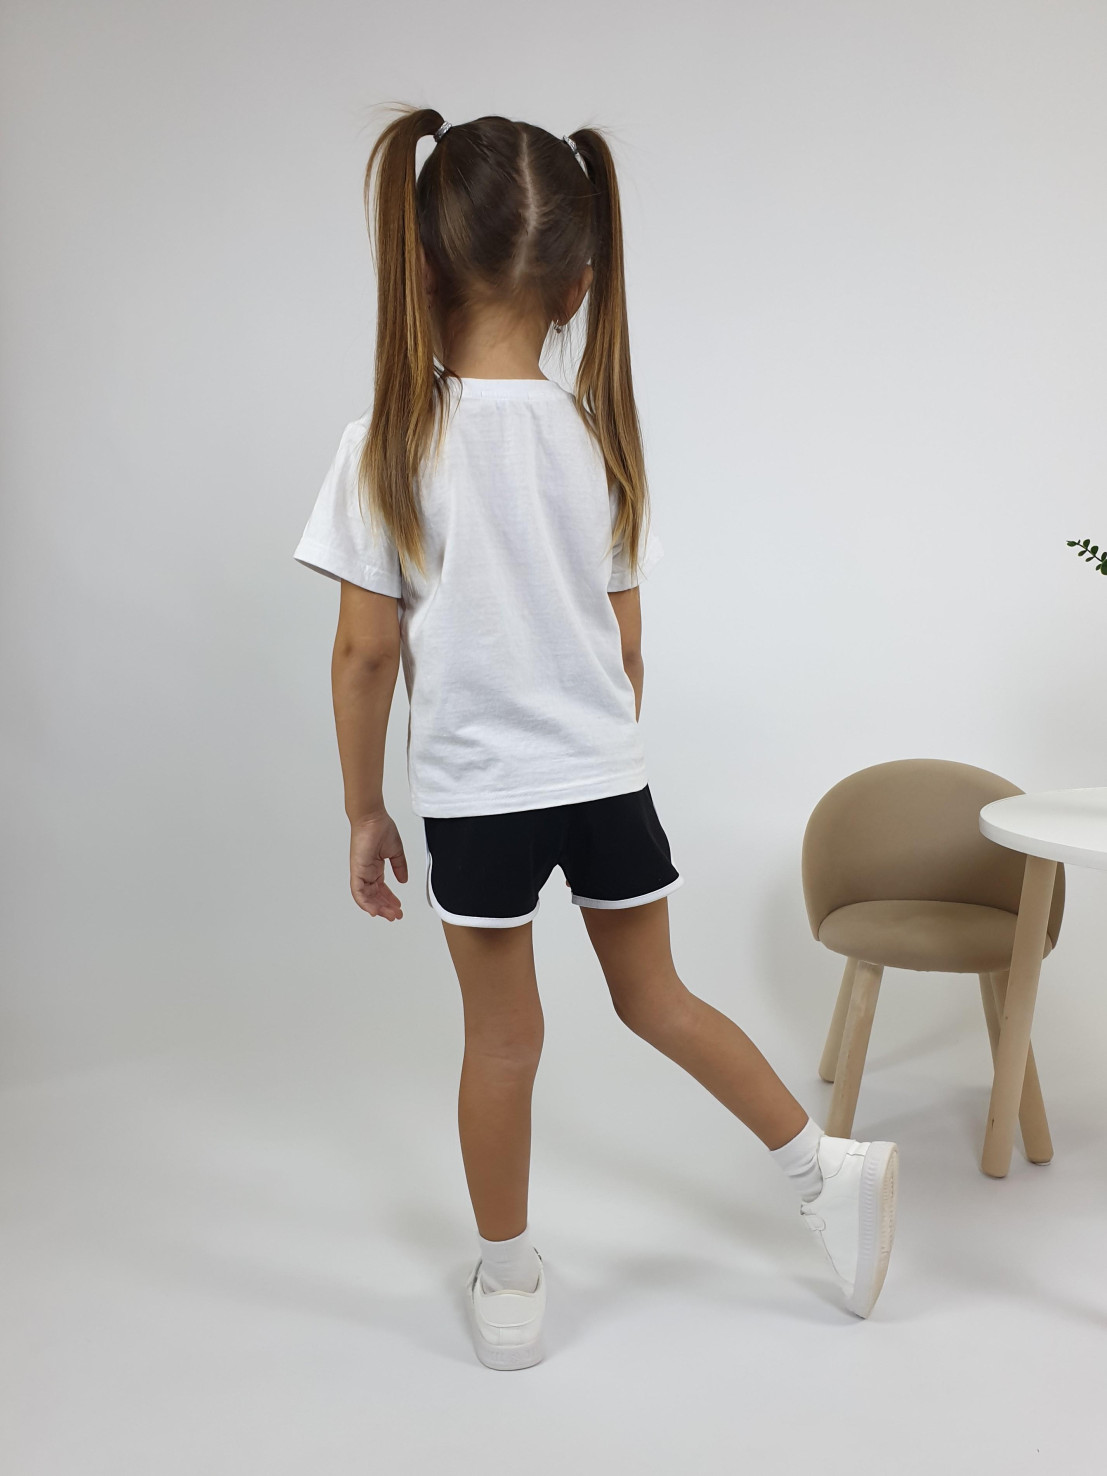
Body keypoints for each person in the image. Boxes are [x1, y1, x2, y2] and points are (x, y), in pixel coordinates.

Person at [293, 106, 898, 1372]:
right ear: (577, 284)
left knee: (503, 1040)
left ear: (419, 266)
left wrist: (363, 808)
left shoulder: (386, 445)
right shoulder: (598, 439)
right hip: (605, 778)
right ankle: (823, 1169)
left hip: (479, 794)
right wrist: (588, 745)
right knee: (657, 998)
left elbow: (363, 655)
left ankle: (511, 1281)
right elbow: (627, 652)